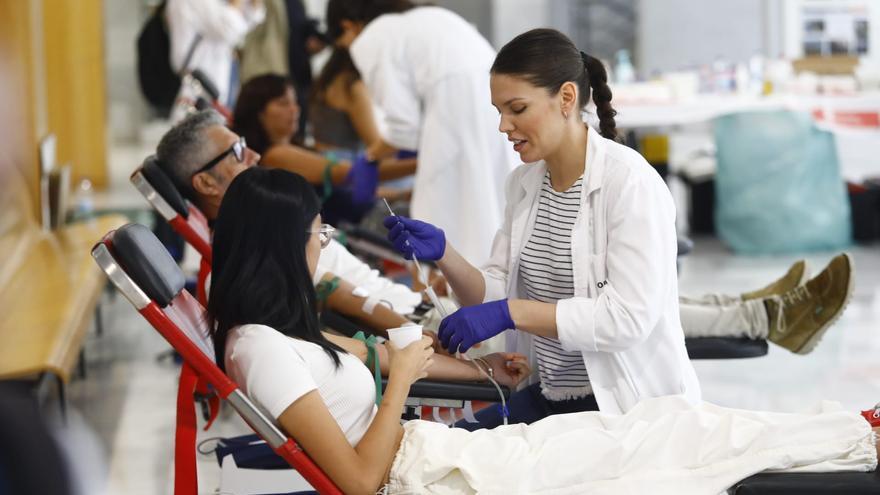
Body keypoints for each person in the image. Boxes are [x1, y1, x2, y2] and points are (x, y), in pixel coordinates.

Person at [209, 166, 878, 495]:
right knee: (666, 449)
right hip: (431, 472)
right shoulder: (259, 348)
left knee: (665, 424)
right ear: (277, 246)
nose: (322, 243)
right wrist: (402, 380)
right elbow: (357, 479)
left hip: (440, 454)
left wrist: (482, 371)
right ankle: (852, 436)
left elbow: (380, 350)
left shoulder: (282, 333)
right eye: (315, 234)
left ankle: (851, 430)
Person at [383, 28, 854, 429]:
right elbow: (491, 294)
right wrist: (445, 253)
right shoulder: (523, 185)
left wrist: (513, 312)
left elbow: (625, 319)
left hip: (620, 410)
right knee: (438, 452)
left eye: (517, 108)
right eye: (498, 111)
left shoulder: (629, 183)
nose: (504, 125)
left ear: (566, 97)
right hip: (549, 400)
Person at [155, 109, 419, 335]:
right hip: (409, 324)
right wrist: (417, 335)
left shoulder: (268, 220)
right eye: (237, 152)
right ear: (205, 183)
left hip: (410, 308)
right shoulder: (257, 247)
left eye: (244, 144)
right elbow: (340, 296)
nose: (255, 156)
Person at [326, 0, 518, 265]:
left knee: (441, 232)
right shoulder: (434, 17)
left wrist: (370, 158)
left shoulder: (373, 36)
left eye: (344, 44)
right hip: (495, 115)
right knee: (492, 216)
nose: (349, 51)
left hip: (455, 124)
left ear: (347, 26)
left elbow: (404, 129)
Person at [232, 74, 416, 224]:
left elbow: (356, 186)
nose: (294, 109)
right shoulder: (276, 156)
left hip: (368, 216)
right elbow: (354, 174)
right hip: (361, 226)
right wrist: (420, 164)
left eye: (294, 102)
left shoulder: (296, 147)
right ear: (258, 112)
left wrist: (401, 194)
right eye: (283, 103)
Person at [166, 0, 265, 106]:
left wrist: (254, 4)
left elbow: (245, 21)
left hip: (216, 79)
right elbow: (228, 27)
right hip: (198, 83)